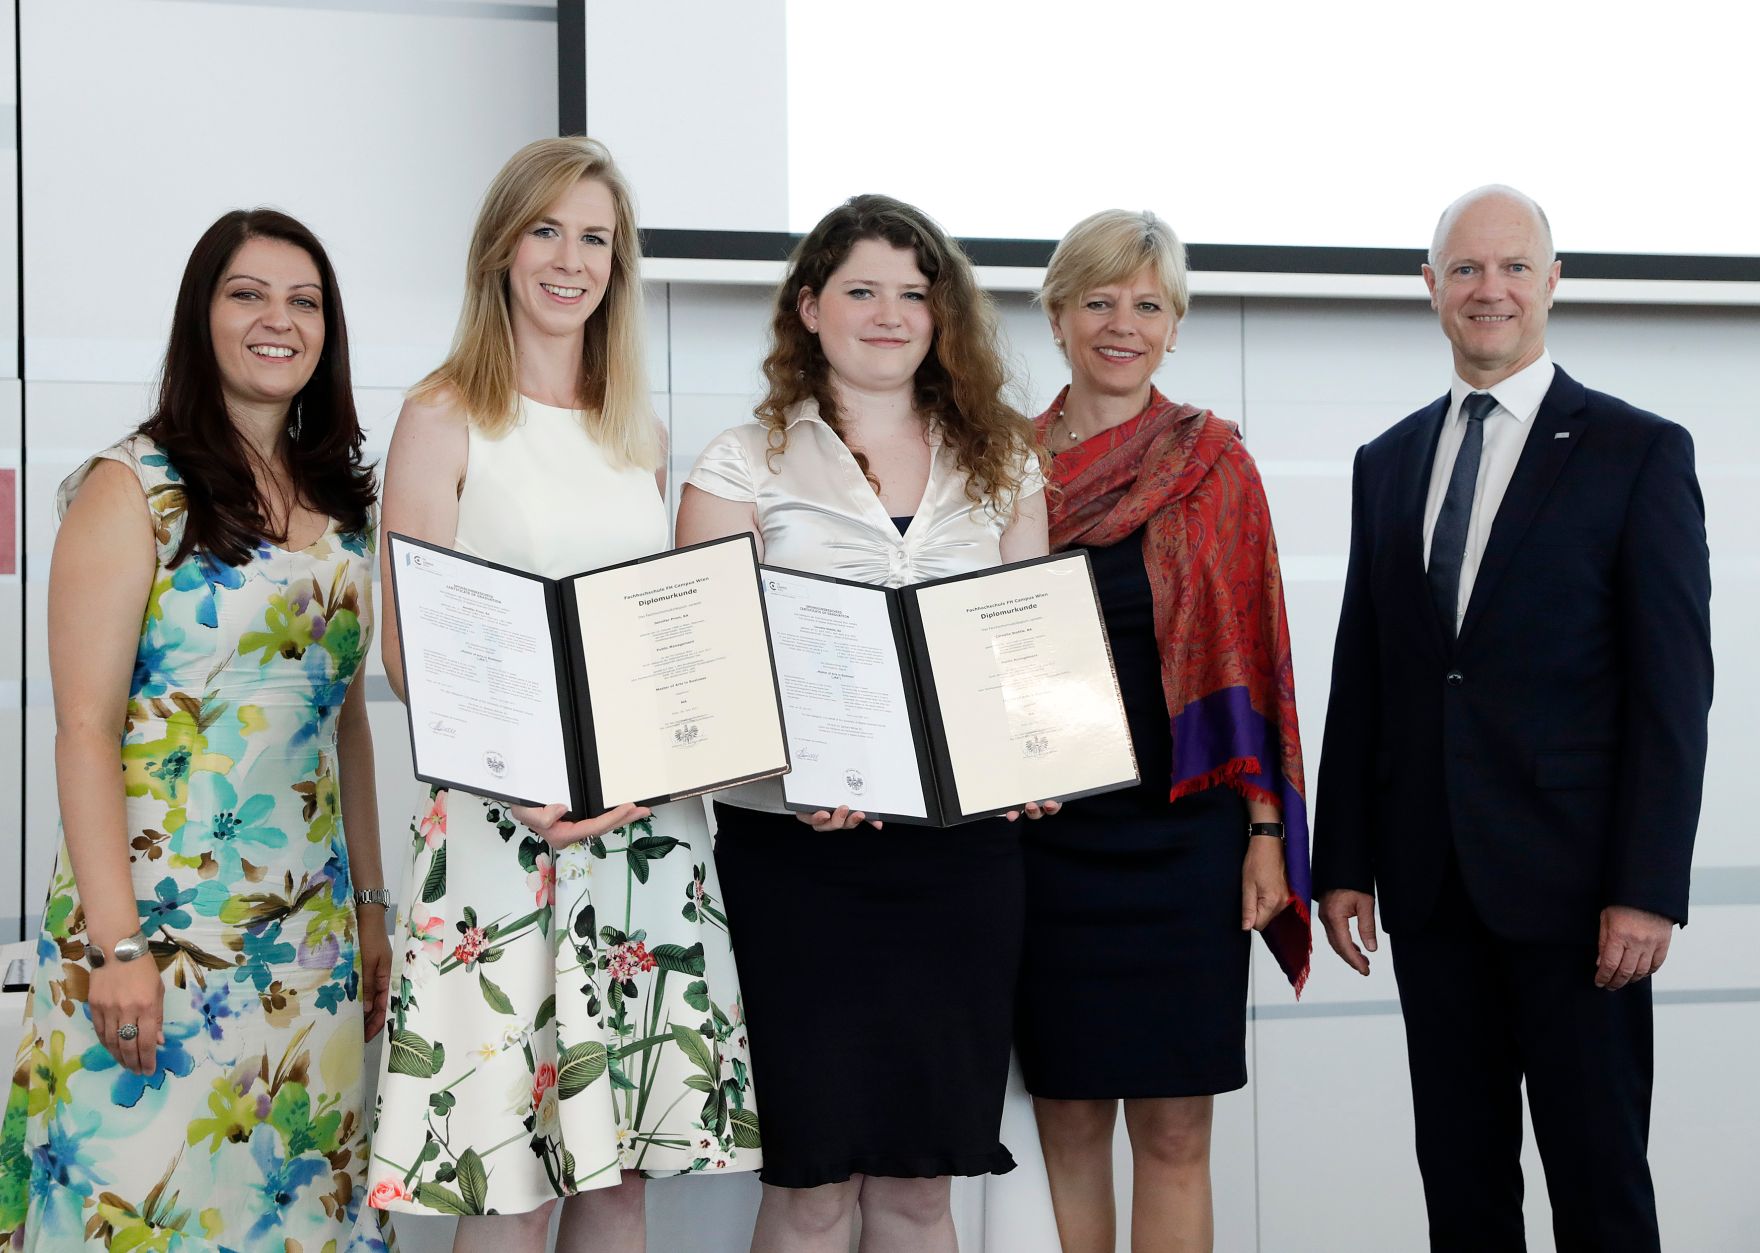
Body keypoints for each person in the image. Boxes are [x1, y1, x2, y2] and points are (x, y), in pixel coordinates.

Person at [364, 137, 757, 1251]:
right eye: (546, 229)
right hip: (504, 834)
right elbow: (411, 645)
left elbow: (669, 647)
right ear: (500, 245)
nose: (569, 259)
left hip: (645, 834)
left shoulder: (638, 428)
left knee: (616, 1175)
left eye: (594, 237)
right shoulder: (443, 412)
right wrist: (526, 784)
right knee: (509, 1174)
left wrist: (650, 772)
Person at [1313, 185, 1713, 1252]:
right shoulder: (1385, 460)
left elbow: (1672, 694)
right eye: (1464, 269)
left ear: (1550, 282)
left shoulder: (1636, 452)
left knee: (1598, 1186)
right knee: (1460, 1183)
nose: (1487, 289)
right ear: (1430, 288)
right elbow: (1367, 671)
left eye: (1511, 268)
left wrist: (1644, 886)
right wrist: (1340, 856)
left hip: (1581, 900)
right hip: (1431, 887)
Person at [0, 209, 393, 1250]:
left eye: (304, 301)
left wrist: (373, 905)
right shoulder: (131, 487)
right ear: (200, 317)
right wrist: (115, 944)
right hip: (156, 931)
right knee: (142, 1213)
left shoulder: (345, 500)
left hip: (306, 941)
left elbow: (342, 722)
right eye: (248, 294)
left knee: (296, 1218)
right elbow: (81, 727)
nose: (280, 319)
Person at [675, 193, 1050, 1253]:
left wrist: (1035, 746)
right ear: (807, 308)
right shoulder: (738, 461)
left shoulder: (1005, 461)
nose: (889, 314)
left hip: (961, 857)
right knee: (810, 1183)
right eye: (860, 290)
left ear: (942, 316)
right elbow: (705, 673)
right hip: (799, 861)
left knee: (924, 1182)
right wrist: (793, 767)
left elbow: (1021, 646)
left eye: (913, 293)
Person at [1015, 209, 1310, 1253]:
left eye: (1146, 303)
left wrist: (1265, 831)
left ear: (1175, 323)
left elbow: (1256, 661)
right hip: (1044, 835)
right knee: (1068, 1117)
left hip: (1187, 837)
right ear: (1055, 316)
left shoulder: (1213, 464)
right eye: (1097, 299)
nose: (1120, 323)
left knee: (1178, 1128)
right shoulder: (999, 469)